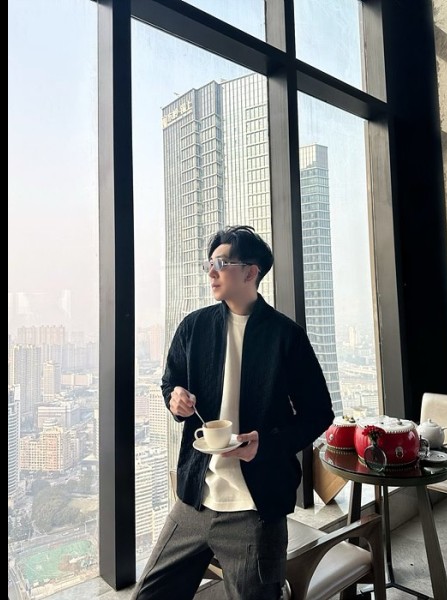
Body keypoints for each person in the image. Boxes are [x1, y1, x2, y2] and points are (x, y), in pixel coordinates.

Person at [131, 225, 334, 600]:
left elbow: (319, 413)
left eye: (221, 263)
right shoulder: (194, 327)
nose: (211, 272)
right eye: (209, 264)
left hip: (256, 510)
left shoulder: (286, 336)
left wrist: (266, 445)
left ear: (250, 272)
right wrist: (174, 399)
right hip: (195, 499)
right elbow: (170, 382)